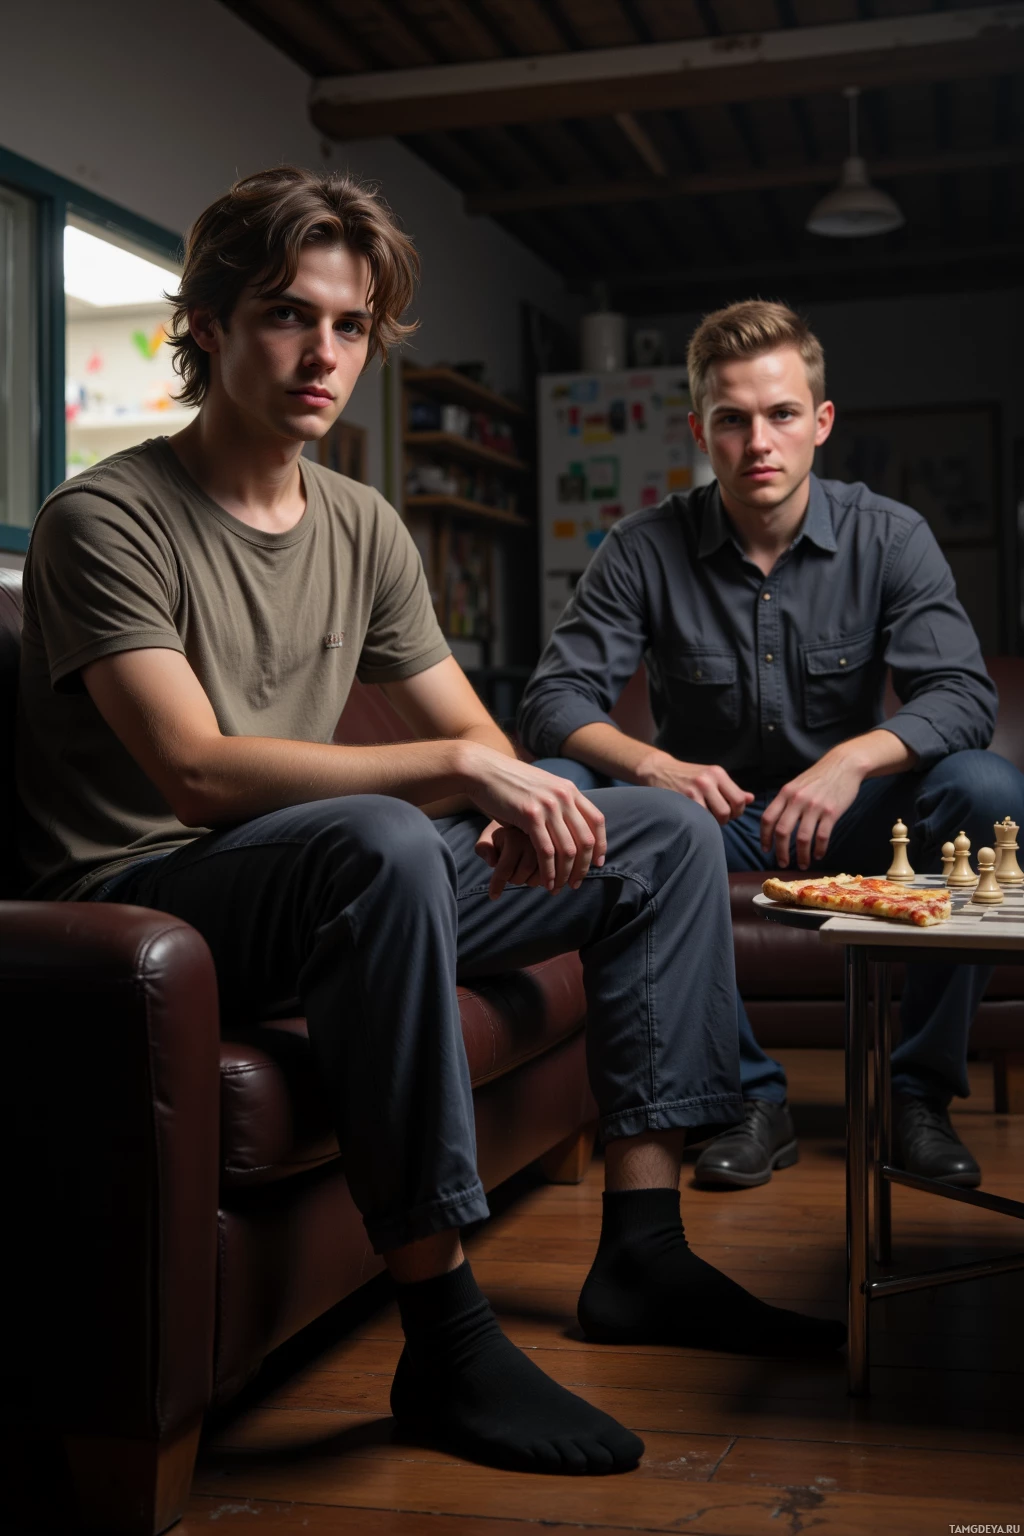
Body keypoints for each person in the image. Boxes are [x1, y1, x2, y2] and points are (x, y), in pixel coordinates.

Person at [16, 176, 844, 1482]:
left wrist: (525, 798)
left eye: (350, 327)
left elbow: (491, 749)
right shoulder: (102, 519)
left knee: (661, 832)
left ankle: (644, 1253)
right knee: (386, 837)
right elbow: (190, 773)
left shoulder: (363, 524)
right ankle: (445, 1335)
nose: (322, 355)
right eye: (288, 316)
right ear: (211, 324)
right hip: (154, 895)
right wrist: (461, 769)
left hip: (326, 885)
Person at [518, 299, 1021, 1193]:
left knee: (986, 790)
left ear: (821, 422)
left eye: (783, 414)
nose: (760, 441)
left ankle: (919, 1097)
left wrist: (852, 759)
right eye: (733, 419)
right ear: (699, 431)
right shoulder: (640, 547)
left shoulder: (891, 535)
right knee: (624, 823)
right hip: (718, 820)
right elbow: (555, 701)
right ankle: (751, 1098)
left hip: (866, 815)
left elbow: (963, 696)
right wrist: (652, 765)